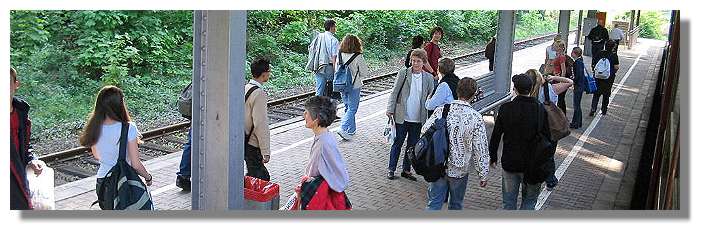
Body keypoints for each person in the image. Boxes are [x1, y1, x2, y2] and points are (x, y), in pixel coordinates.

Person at [423, 78, 489, 210]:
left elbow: (424, 131)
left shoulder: (442, 110)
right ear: (474, 94)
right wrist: (483, 173)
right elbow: (480, 149)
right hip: (460, 170)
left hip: (439, 165)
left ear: (457, 91)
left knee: (434, 204)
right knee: (456, 205)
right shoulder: (475, 117)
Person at [79, 86, 153, 202]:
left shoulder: (94, 127)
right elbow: (136, 165)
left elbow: (97, 155)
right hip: (126, 182)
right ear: (120, 105)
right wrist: (148, 177)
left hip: (103, 182)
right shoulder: (128, 128)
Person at [489, 74, 551, 210]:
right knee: (529, 202)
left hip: (511, 162)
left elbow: (496, 135)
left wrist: (493, 156)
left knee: (509, 203)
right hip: (533, 163)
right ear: (531, 88)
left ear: (515, 89)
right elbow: (547, 136)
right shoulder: (540, 109)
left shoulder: (506, 108)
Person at [386, 49, 435, 181]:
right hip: (403, 116)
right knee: (397, 143)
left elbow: (431, 97)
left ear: (424, 62)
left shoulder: (429, 78)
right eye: (413, 60)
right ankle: (391, 169)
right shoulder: (404, 73)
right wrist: (390, 109)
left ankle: (406, 170)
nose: (415, 63)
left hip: (418, 118)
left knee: (412, 146)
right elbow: (395, 92)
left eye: (418, 61)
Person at [526, 69, 573, 190]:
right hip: (551, 127)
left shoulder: (528, 92)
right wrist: (554, 78)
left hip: (535, 128)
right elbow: (569, 82)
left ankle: (535, 176)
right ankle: (550, 180)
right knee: (549, 154)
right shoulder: (551, 89)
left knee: (534, 153)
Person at [301, 96, 351, 209]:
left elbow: (311, 173)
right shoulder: (327, 135)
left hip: (323, 199)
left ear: (316, 119)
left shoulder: (322, 144)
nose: (304, 115)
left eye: (307, 113)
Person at [10, 67, 43, 210]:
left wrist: (32, 159)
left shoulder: (21, 113)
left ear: (16, 84)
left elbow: (24, 145)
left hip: (20, 180)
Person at [336, 34, 370, 140]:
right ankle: (343, 127)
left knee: (347, 107)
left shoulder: (340, 54)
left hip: (341, 84)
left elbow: (336, 69)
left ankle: (351, 130)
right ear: (357, 44)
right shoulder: (358, 56)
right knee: (352, 108)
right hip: (354, 86)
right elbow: (364, 72)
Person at [244, 58, 273, 181]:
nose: (270, 73)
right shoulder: (259, 94)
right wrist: (265, 150)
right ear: (264, 74)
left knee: (252, 175)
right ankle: (248, 200)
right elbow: (260, 124)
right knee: (261, 178)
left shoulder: (246, 87)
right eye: (269, 71)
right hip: (252, 143)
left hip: (243, 138)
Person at [307, 19, 340, 97]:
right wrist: (336, 70)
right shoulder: (334, 40)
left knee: (320, 88)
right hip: (329, 66)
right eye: (335, 27)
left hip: (319, 64)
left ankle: (317, 105)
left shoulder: (319, 36)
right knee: (331, 87)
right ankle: (326, 103)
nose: (335, 28)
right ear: (331, 27)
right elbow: (334, 56)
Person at [590, 40, 620, 116]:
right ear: (613, 47)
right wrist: (613, 72)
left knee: (596, 93)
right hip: (608, 78)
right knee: (606, 94)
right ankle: (604, 110)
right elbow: (616, 67)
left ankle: (593, 108)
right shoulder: (614, 55)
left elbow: (594, 63)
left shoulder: (600, 53)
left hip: (598, 77)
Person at [570, 47, 588, 129]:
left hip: (578, 86)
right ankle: (578, 122)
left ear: (575, 53)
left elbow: (578, 75)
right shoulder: (580, 61)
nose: (571, 54)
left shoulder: (577, 63)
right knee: (577, 104)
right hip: (581, 85)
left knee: (576, 105)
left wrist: (573, 80)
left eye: (572, 52)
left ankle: (575, 123)